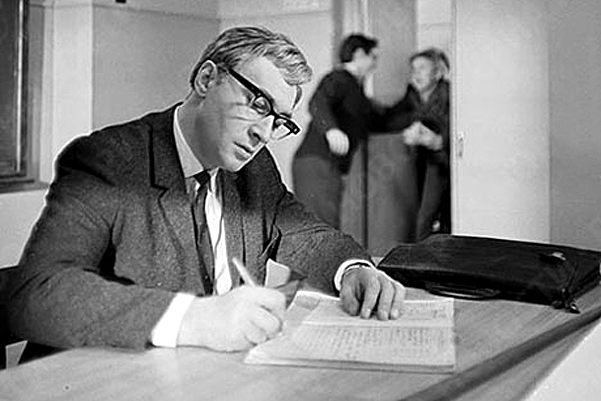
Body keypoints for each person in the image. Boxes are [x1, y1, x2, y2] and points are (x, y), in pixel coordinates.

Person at [5, 26, 405, 352]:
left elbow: (306, 234)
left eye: (279, 121)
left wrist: (352, 270)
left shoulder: (254, 168)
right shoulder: (110, 161)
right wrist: (194, 319)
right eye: (258, 104)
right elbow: (35, 293)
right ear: (206, 79)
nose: (264, 133)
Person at [292, 34, 385, 229]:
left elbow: (379, 120)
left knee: (325, 227)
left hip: (324, 164)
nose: (375, 64)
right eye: (373, 57)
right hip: (317, 163)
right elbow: (317, 102)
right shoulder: (339, 78)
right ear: (359, 54)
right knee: (321, 228)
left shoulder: (355, 89)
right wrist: (331, 130)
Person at [385, 48, 451, 241]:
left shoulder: (449, 95)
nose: (416, 74)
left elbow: (456, 132)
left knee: (430, 217)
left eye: (422, 68)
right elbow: (391, 120)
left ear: (437, 73)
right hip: (424, 163)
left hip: (445, 164)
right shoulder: (412, 96)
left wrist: (436, 140)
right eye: (413, 69)